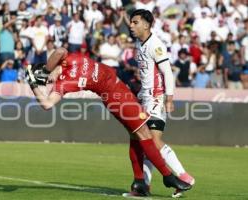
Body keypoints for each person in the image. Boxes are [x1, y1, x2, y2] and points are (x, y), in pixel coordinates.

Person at [25, 47, 192, 196]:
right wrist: (34, 86)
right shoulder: (64, 83)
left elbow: (60, 50)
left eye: (48, 79)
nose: (50, 82)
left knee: (135, 137)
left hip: (119, 91)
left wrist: (45, 71)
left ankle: (139, 183)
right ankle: (167, 177)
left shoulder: (66, 60)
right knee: (145, 134)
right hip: (116, 97)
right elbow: (47, 104)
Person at [129, 9, 195, 197]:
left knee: (153, 142)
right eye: (131, 22)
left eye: (135, 22)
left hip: (156, 98)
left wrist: (170, 98)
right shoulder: (138, 44)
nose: (131, 26)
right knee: (146, 143)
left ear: (146, 25)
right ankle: (145, 186)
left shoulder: (155, 44)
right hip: (144, 97)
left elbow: (167, 72)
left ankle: (184, 177)